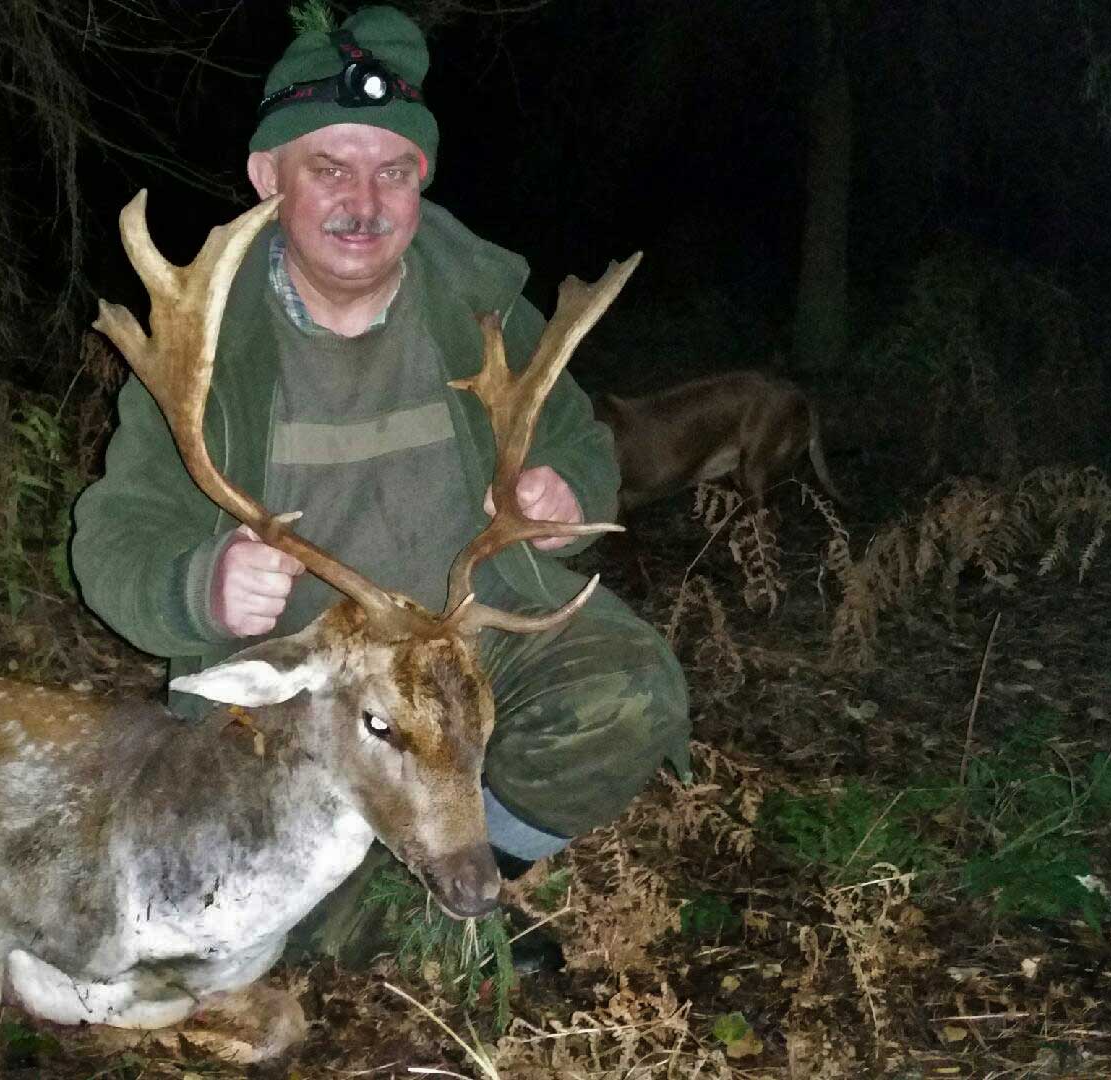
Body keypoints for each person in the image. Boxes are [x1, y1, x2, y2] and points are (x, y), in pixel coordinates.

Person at [71, 5, 690, 962]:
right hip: (305, 676)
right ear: (268, 178)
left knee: (630, 693)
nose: (363, 202)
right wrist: (201, 586)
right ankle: (385, 895)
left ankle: (468, 869)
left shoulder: (480, 308)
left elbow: (579, 438)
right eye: (329, 168)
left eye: (393, 171)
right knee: (244, 898)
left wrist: (566, 492)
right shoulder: (203, 348)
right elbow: (112, 535)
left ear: (421, 180)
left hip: (469, 636)